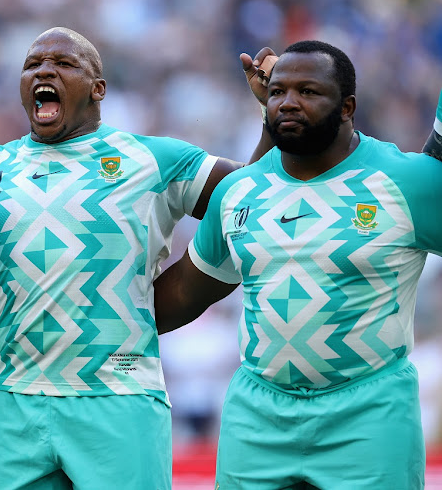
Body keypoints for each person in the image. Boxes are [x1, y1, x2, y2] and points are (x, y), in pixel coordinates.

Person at [0, 27, 272, 490]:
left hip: (119, 399)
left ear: (98, 89)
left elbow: (250, 198)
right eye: (32, 64)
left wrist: (270, 113)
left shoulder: (153, 159)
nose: (44, 70)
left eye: (63, 63)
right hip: (17, 404)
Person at [154, 40, 442, 489]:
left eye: (308, 92)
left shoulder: (407, 180)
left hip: (369, 416)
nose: (288, 102)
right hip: (257, 417)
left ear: (347, 107)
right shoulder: (239, 192)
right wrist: (92, 322)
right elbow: (184, 294)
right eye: (278, 92)